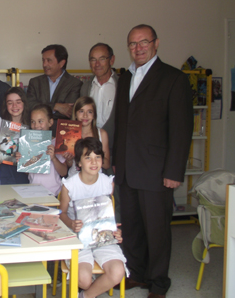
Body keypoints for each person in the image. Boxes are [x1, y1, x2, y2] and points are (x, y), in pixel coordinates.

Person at [113, 24, 193, 298]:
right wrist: (116, 160)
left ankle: (158, 283)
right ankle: (137, 273)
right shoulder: (124, 78)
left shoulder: (173, 78)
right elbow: (122, 124)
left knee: (157, 231)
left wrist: (174, 171)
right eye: (133, 44)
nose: (138, 48)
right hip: (126, 169)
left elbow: (181, 129)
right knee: (132, 227)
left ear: (156, 43)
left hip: (157, 171)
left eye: (143, 42)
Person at [59, 137, 125, 298]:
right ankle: (89, 286)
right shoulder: (70, 185)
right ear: (79, 163)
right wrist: (71, 223)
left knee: (118, 272)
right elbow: (61, 214)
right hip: (78, 238)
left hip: (102, 239)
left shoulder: (107, 183)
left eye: (98, 157)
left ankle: (86, 296)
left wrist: (115, 231)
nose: (93, 162)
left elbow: (108, 214)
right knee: (84, 280)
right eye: (88, 157)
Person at [26, 44, 82, 132]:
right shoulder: (35, 82)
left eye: (49, 60)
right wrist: (55, 106)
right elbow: (29, 106)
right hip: (37, 133)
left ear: (61, 63)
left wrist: (41, 110)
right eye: (43, 60)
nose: (44, 64)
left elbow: (68, 113)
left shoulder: (75, 83)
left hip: (61, 133)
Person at [80, 43, 118, 162]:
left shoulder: (122, 86)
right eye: (93, 60)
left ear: (111, 60)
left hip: (113, 154)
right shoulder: (85, 87)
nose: (97, 64)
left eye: (102, 59)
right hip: (87, 155)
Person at [27, 104, 69, 196]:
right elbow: (28, 172)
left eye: (40, 121)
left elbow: (64, 172)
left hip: (53, 194)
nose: (36, 125)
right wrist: (22, 161)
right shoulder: (29, 143)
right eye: (33, 122)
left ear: (50, 122)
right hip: (33, 193)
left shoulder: (57, 143)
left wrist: (54, 158)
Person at [66, 97, 110, 177]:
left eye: (89, 112)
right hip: (74, 179)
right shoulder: (69, 133)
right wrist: (69, 159)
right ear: (75, 114)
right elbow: (70, 165)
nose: (85, 115)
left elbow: (107, 165)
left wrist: (93, 157)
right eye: (81, 111)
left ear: (94, 115)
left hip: (95, 181)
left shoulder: (101, 134)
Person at [0, 87, 30, 184]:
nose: (14, 106)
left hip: (23, 175)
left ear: (24, 103)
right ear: (6, 105)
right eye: (10, 103)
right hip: (3, 173)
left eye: (18, 102)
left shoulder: (32, 127)